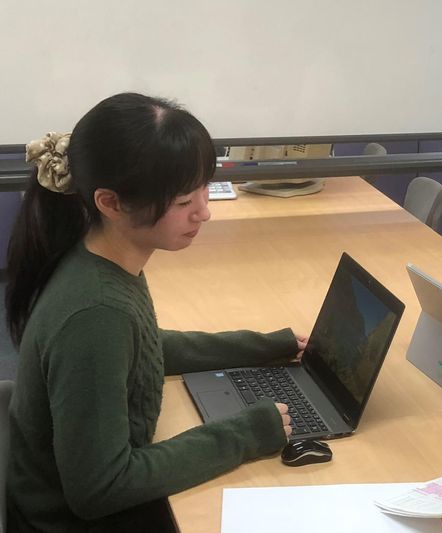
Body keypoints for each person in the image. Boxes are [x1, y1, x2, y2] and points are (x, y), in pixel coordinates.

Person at [4, 93, 307, 532]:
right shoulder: (95, 313)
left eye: (204, 188)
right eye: (183, 202)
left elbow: (145, 348)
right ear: (111, 203)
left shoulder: (104, 258)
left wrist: (265, 347)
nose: (203, 212)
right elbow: (100, 489)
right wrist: (244, 434)